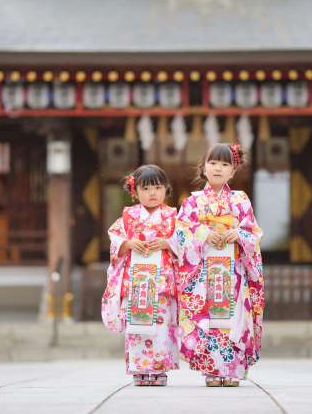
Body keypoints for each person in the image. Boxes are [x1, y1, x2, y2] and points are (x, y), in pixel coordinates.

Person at [175, 143, 264, 387]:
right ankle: (213, 371)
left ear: (233, 172)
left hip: (233, 272)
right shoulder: (191, 203)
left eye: (225, 164)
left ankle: (233, 370)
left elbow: (253, 232)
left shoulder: (240, 200)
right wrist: (203, 233)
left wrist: (240, 235)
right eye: (213, 163)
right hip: (203, 273)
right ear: (203, 168)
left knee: (234, 317)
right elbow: (181, 231)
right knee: (211, 318)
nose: (218, 168)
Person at [101, 165, 179, 386]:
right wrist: (127, 243)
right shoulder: (128, 217)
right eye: (146, 188)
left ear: (166, 189)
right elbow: (115, 240)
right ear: (135, 192)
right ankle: (139, 369)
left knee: (162, 325)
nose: (152, 192)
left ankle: (160, 369)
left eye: (157, 187)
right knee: (138, 324)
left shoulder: (173, 216)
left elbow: (185, 243)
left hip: (162, 282)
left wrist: (168, 243)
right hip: (137, 282)